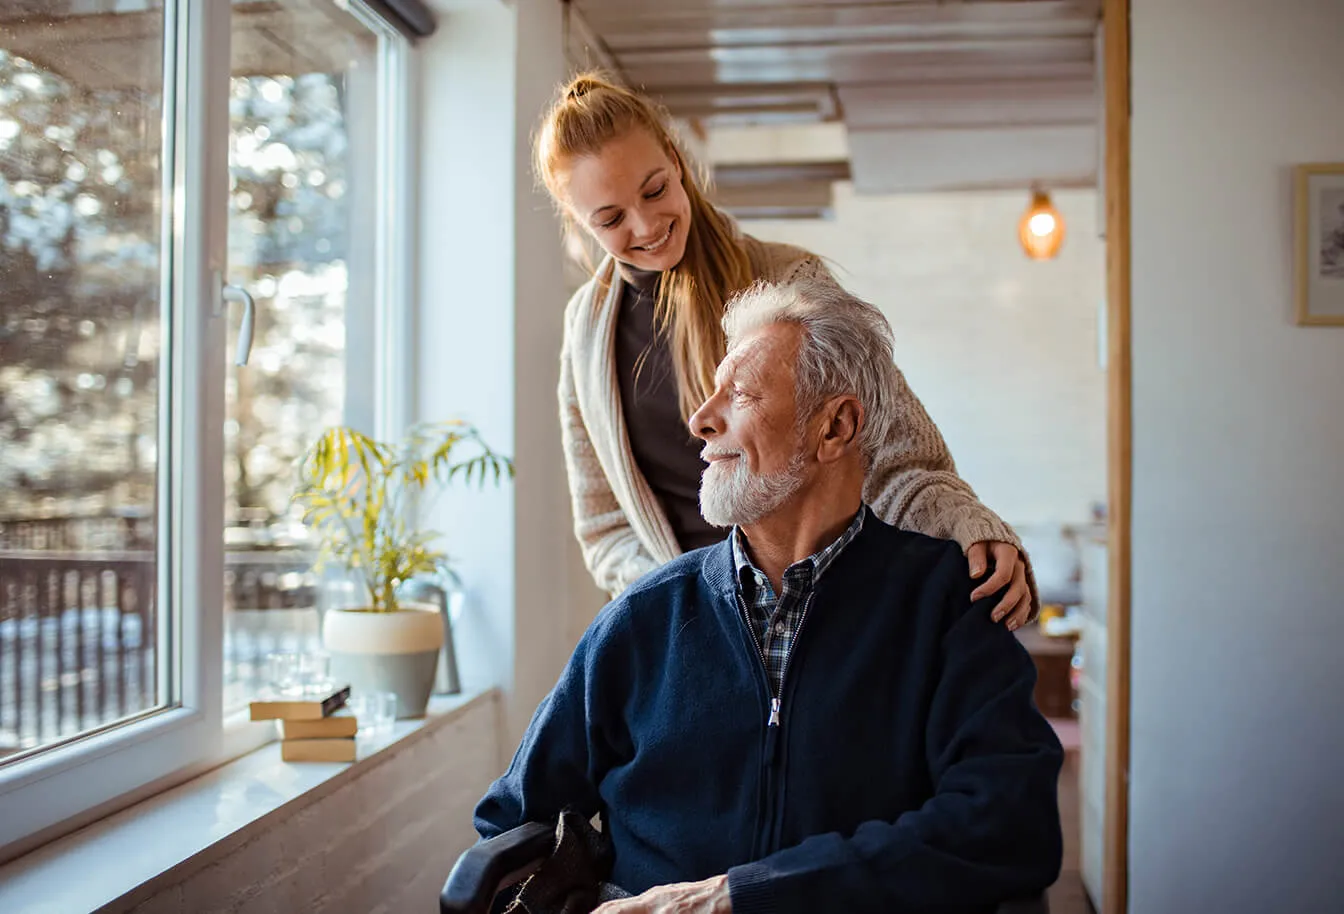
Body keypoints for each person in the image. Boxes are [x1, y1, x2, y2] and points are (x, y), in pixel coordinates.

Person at [475, 280, 1064, 914]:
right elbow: (511, 821)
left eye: (742, 394)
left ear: (835, 427)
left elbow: (1009, 824)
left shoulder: (946, 608)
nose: (700, 420)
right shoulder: (642, 618)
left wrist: (741, 895)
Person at [538, 71, 1036, 629]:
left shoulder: (790, 282)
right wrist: (682, 602)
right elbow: (604, 524)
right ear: (579, 223)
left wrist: (967, 524)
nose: (647, 224)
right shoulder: (585, 334)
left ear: (677, 161)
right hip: (686, 635)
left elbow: (894, 453)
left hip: (823, 620)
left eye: (655, 190)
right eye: (610, 218)